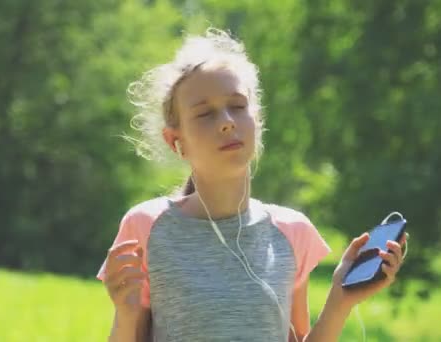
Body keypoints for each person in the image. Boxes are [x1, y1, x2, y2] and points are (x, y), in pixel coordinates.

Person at [96, 28, 406, 342]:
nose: (227, 121)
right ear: (176, 142)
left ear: (257, 120)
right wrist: (125, 312)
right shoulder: (145, 227)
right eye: (205, 114)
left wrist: (340, 301)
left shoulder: (292, 231)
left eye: (238, 106)